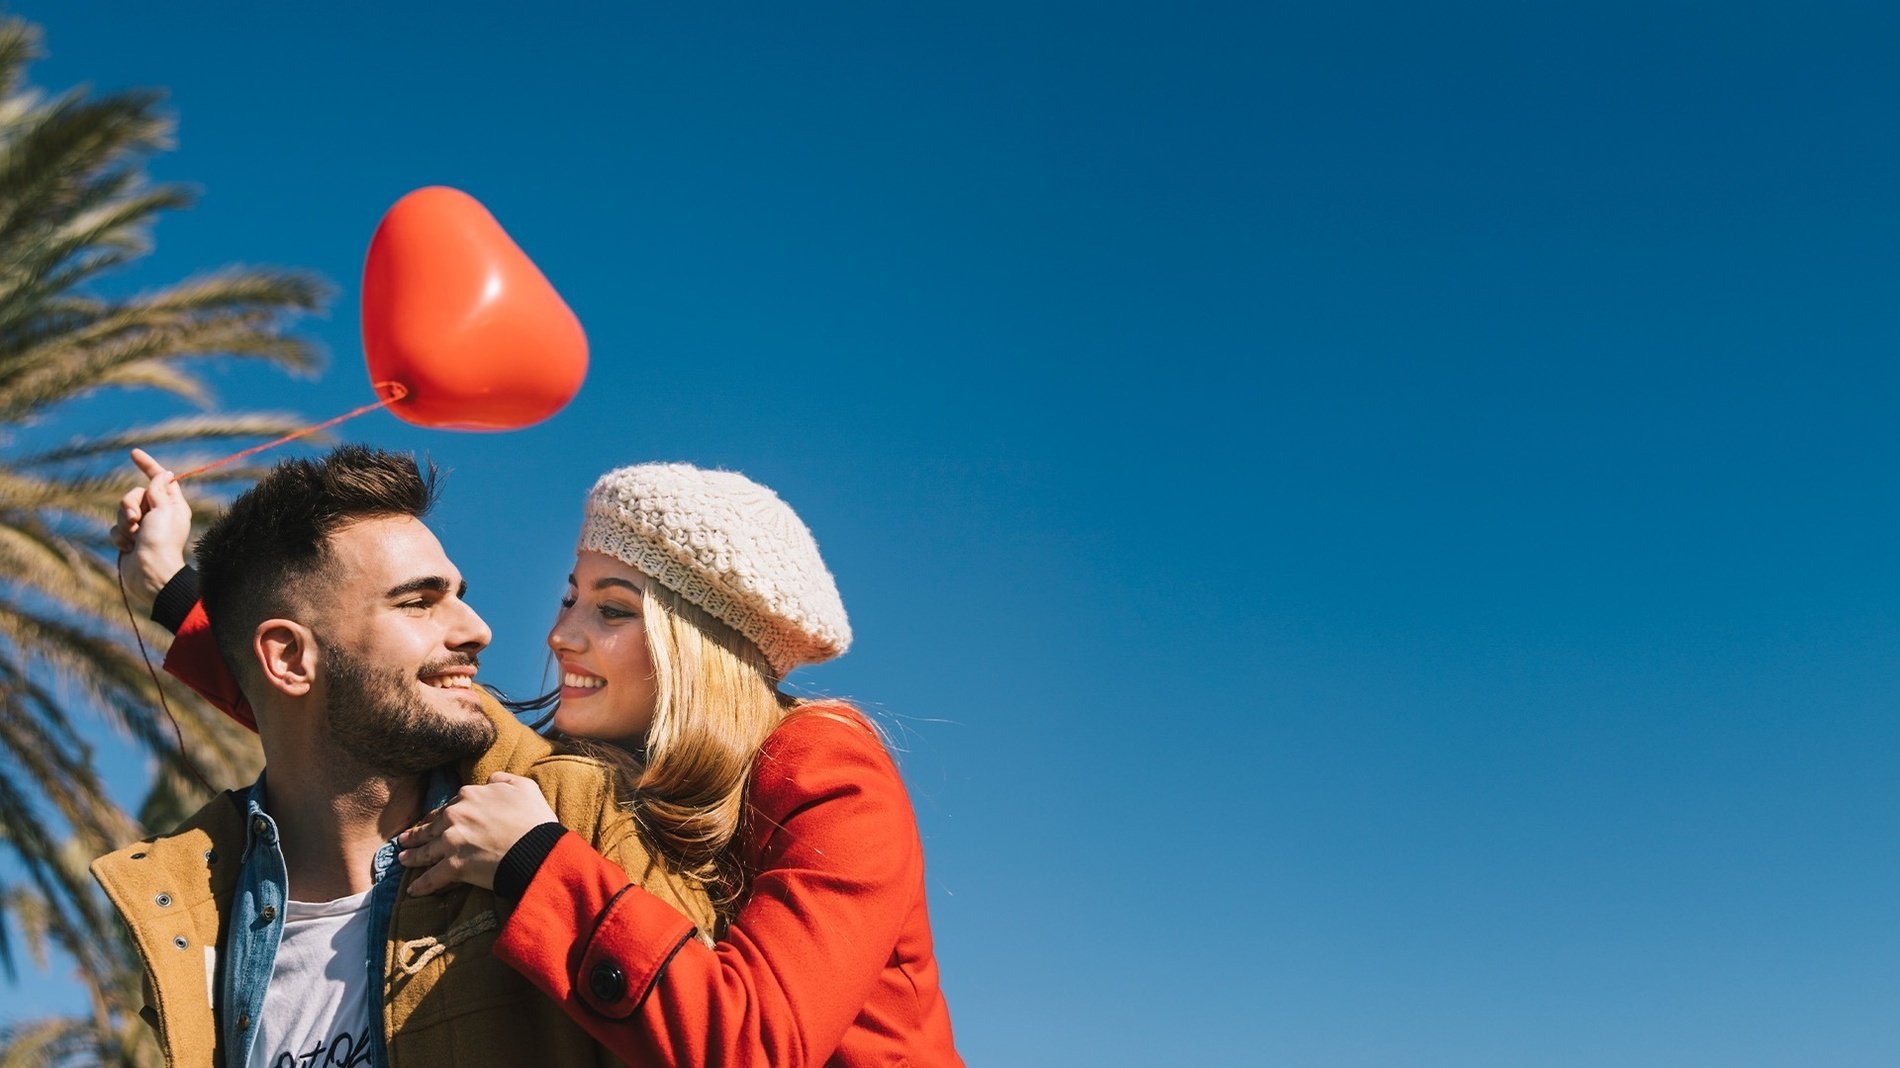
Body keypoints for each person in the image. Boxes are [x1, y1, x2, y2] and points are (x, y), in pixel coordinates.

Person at [125, 457, 962, 1066]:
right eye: (568, 599)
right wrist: (174, 586)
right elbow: (347, 709)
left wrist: (532, 860)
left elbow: (755, 1046)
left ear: (697, 646)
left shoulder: (823, 766)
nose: (560, 635)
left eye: (610, 610)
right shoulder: (583, 769)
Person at [94, 446, 713, 1067]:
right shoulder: (193, 907)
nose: (477, 628)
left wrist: (533, 862)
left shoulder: (573, 818)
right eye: (418, 602)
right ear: (286, 658)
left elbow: (715, 1038)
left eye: (457, 595)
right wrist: (168, 583)